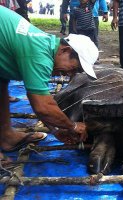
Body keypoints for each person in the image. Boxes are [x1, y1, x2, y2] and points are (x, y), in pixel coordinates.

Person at [0, 6, 98, 162]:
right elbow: (42, 106)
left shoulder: (44, 45)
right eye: (75, 68)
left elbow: (40, 106)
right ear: (66, 50)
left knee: (2, 83)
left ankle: (6, 136)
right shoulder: (40, 56)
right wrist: (72, 126)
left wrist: (55, 129)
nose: (71, 74)